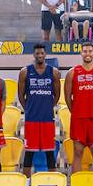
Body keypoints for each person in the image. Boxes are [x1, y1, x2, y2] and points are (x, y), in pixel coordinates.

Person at [64, 43, 93, 174]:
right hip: (79, 119)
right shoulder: (72, 72)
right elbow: (67, 97)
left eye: (90, 51)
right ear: (81, 53)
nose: (87, 53)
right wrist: (76, 111)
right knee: (77, 152)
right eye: (85, 51)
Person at [18, 43, 60, 176]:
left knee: (49, 151)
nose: (40, 55)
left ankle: (53, 181)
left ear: (45, 55)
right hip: (31, 119)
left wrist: (48, 106)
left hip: (47, 118)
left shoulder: (53, 72)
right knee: (29, 152)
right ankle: (26, 184)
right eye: (37, 53)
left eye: (42, 53)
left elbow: (57, 95)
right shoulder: (25, 72)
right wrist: (29, 108)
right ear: (34, 55)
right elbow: (21, 95)